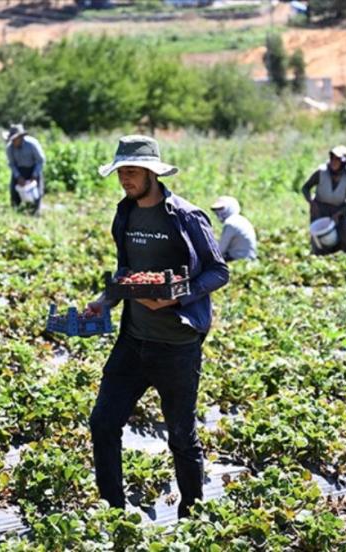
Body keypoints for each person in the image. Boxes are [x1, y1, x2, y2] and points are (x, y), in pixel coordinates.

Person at [85, 135, 229, 518]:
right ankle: (112, 511)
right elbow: (126, 272)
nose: (125, 179)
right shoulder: (125, 214)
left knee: (181, 436)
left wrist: (176, 296)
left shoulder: (185, 216)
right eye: (121, 172)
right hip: (133, 341)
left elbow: (218, 271)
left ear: (152, 172)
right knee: (103, 423)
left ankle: (192, 516)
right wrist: (105, 300)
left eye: (131, 171)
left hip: (177, 345)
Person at [301, 145, 346, 255]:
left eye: (337, 160)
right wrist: (311, 202)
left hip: (340, 209)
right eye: (332, 158)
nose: (333, 162)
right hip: (320, 208)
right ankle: (319, 257)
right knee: (319, 237)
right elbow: (305, 188)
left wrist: (339, 213)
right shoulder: (321, 172)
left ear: (343, 162)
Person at [3, 124, 45, 214]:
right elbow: (12, 164)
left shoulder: (32, 144)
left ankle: (35, 212)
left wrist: (34, 175)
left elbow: (40, 160)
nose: (13, 142)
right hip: (19, 170)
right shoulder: (10, 148)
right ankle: (16, 211)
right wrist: (18, 176)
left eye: (15, 139)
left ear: (21, 137)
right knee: (14, 192)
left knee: (36, 193)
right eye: (12, 140)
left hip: (33, 168)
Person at [210, 195, 257, 261]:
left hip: (241, 260)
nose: (218, 212)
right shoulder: (240, 219)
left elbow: (220, 250)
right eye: (216, 210)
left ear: (230, 208)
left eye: (221, 209)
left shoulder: (230, 223)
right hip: (248, 258)